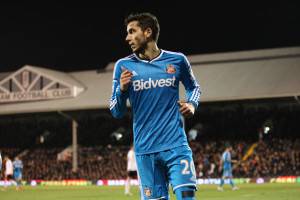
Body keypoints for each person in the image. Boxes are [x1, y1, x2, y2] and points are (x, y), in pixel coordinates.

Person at [110, 12, 201, 200]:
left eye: (132, 32)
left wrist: (192, 104)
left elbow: (194, 88)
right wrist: (121, 89)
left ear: (148, 32)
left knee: (186, 196)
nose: (127, 38)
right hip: (145, 151)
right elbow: (116, 111)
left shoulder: (177, 60)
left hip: (176, 145)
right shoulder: (123, 66)